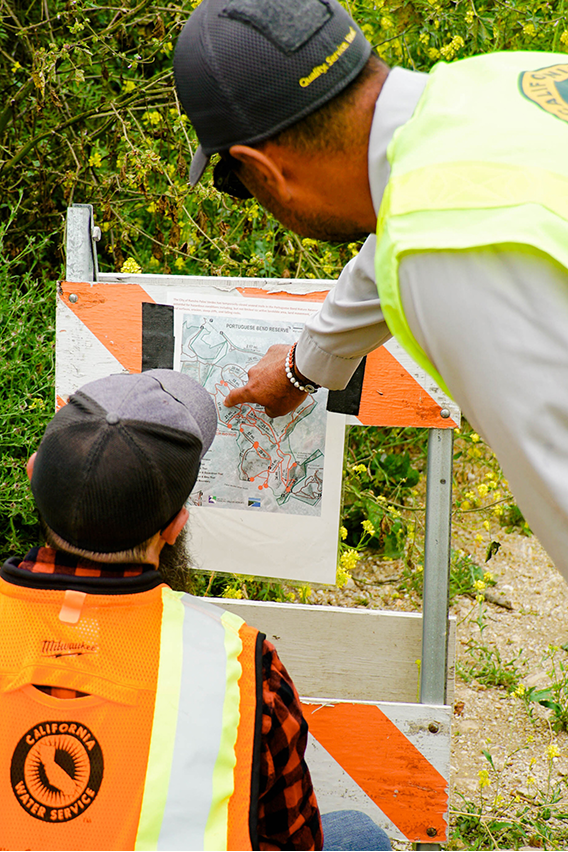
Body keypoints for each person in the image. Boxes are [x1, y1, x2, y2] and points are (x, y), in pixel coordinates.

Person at [173, 0, 568, 586]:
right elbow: (402, 223)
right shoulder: (500, 81)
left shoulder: (446, 255)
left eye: (237, 185)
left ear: (266, 169)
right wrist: (301, 368)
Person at [0, 369, 391, 851]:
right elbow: (293, 841)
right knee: (361, 835)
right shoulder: (242, 668)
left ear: (33, 472)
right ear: (175, 526)